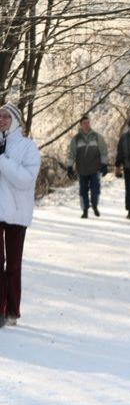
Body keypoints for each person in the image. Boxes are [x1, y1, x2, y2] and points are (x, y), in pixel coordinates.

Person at [0, 103, 41, 328]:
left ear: (15, 120)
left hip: (17, 212)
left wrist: (2, 161)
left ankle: (12, 311)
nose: (1, 119)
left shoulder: (28, 147)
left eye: (6, 116)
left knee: (13, 265)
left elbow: (25, 179)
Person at [66, 114, 108, 218]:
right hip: (82, 169)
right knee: (83, 191)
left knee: (95, 190)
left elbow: (103, 151)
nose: (87, 125)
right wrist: (69, 167)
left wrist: (104, 164)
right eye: (84, 123)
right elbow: (71, 154)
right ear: (80, 125)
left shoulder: (97, 137)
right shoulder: (76, 139)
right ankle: (85, 210)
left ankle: (94, 205)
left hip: (95, 169)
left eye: (88, 122)